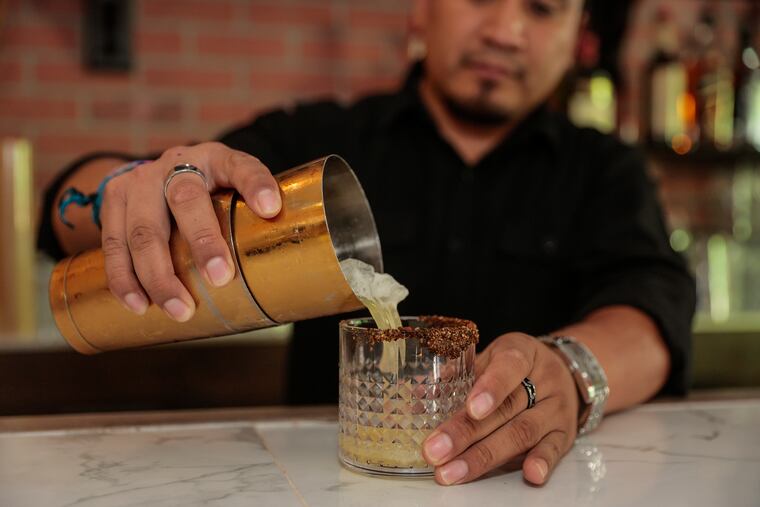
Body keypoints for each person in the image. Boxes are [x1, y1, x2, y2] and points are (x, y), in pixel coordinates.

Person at [38, 0, 695, 488]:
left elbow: (654, 307)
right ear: (420, 13)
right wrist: (129, 185)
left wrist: (571, 369)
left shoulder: (603, 168)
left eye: (542, 8)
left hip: (525, 485)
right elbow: (65, 208)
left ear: (577, 36)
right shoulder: (318, 140)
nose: (504, 29)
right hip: (326, 486)